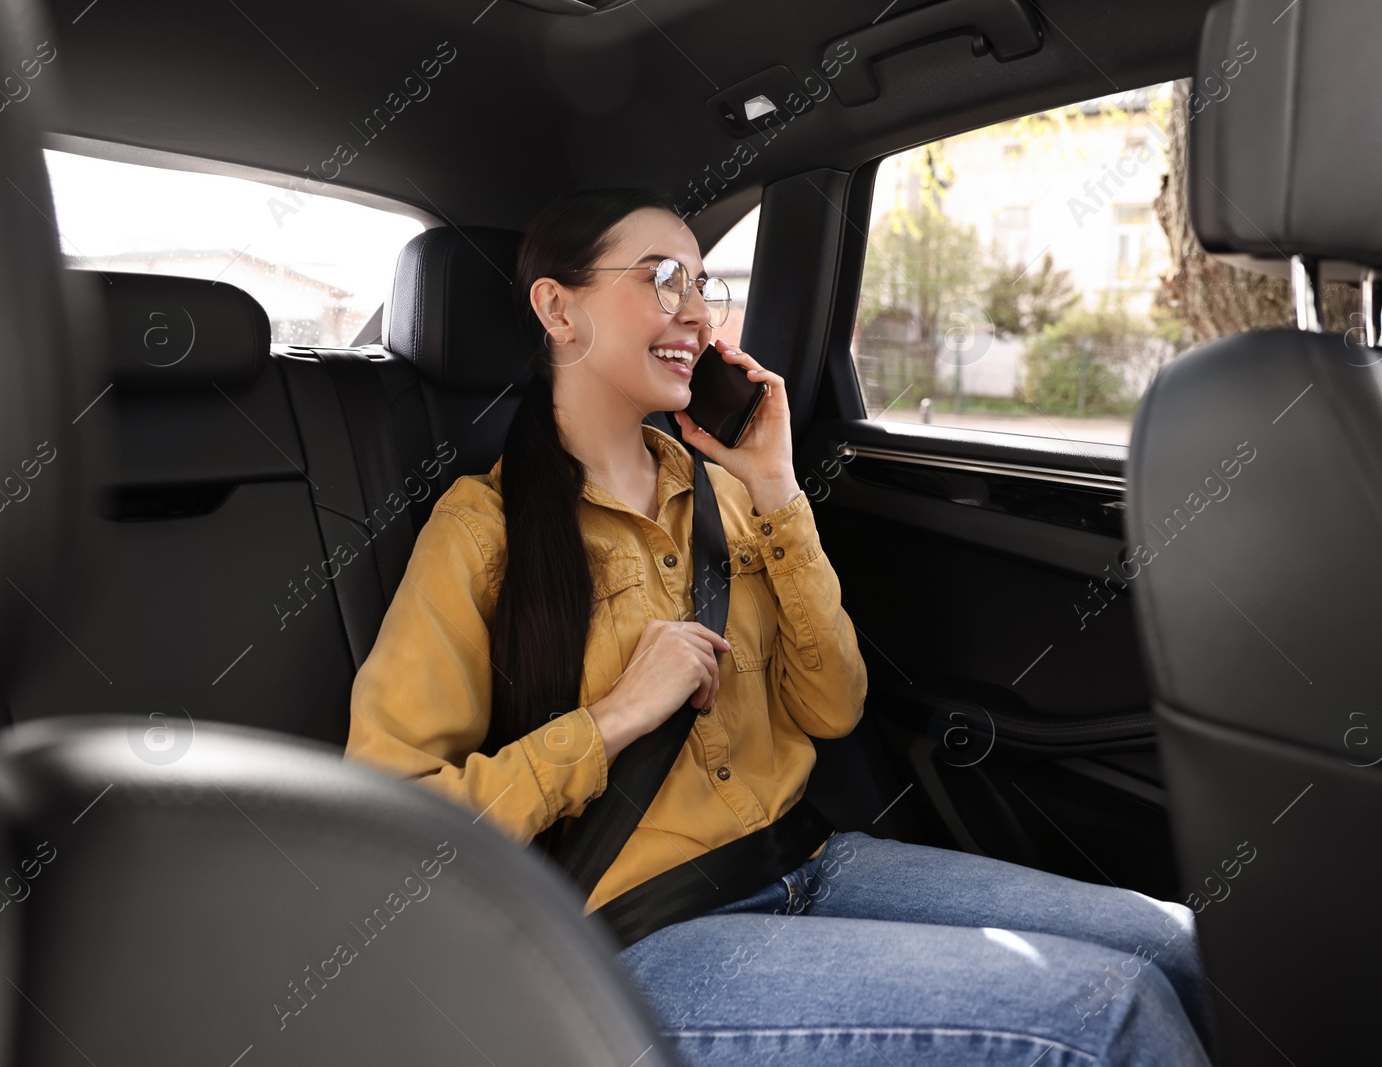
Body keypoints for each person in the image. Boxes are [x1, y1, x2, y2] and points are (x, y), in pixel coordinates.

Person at [345, 186, 1217, 1066]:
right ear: (557, 306)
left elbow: (833, 707)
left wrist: (775, 487)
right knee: (1114, 1011)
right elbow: (394, 826)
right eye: (664, 279)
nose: (697, 313)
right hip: (645, 939)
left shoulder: (724, 494)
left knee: (1183, 948)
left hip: (815, 861)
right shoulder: (479, 531)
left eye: (703, 284)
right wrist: (613, 719)